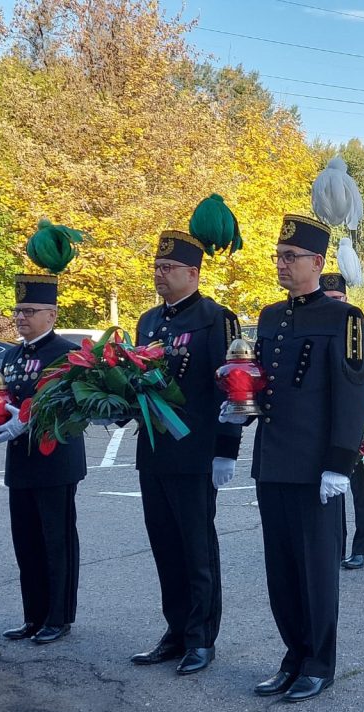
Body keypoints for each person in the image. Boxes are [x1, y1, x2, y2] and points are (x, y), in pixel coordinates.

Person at [224, 214, 364, 703]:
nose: (282, 264)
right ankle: (293, 655)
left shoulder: (344, 318)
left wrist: (339, 462)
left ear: (317, 262)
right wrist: (239, 404)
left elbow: (351, 394)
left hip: (315, 467)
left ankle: (319, 663)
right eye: (278, 257)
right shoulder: (270, 317)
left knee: (316, 570)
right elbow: (264, 381)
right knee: (281, 569)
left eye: (291, 257)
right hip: (273, 460)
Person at [129, 225, 243, 676]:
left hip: (195, 451)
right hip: (154, 451)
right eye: (156, 267)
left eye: (168, 267)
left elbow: (231, 388)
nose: (159, 274)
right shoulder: (149, 322)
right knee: (165, 546)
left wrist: (226, 449)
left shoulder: (217, 319)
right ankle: (175, 631)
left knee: (197, 549)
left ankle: (200, 637)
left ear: (193, 273)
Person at [0, 272, 86, 644]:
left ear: (51, 315)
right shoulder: (10, 355)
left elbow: (75, 406)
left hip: (55, 461)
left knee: (57, 542)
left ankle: (58, 617)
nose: (21, 317)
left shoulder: (68, 354)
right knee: (26, 542)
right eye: (18, 310)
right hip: (20, 462)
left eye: (29, 311)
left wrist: (29, 420)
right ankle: (33, 616)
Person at [322, 272, 364, 570]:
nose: (335, 303)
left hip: (362, 420)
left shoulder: (362, 328)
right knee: (330, 491)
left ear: (346, 298)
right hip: (325, 421)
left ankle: (362, 549)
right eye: (329, 299)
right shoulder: (316, 328)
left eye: (339, 298)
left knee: (363, 488)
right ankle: (335, 547)